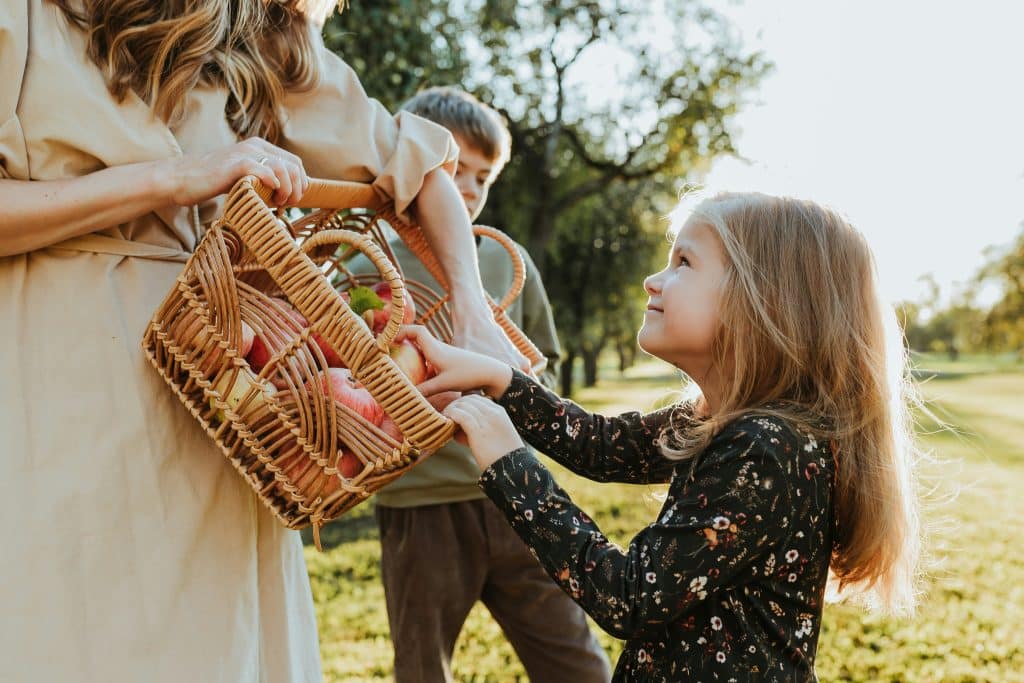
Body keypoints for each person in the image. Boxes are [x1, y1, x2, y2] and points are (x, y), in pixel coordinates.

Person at [0, 2, 527, 681]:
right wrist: (178, 177)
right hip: (53, 381)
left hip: (222, 395)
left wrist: (474, 312)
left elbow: (422, 170)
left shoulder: (250, 33)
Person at [399, 192, 923, 681]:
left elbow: (628, 595)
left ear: (764, 300)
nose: (653, 280)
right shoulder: (723, 422)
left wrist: (510, 461)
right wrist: (502, 380)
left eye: (684, 263)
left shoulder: (767, 448)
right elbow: (601, 445)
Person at [348, 87, 611, 682]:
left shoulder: (502, 260)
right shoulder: (367, 263)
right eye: (453, 170)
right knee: (422, 665)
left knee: (573, 658)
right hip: (420, 506)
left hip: (516, 494)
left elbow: (540, 364)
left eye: (482, 177)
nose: (466, 189)